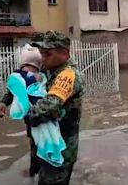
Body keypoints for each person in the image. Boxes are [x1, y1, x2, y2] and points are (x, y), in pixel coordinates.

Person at [29, 31, 84, 185]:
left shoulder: (68, 75)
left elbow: (48, 107)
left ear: (64, 54)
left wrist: (28, 112)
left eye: (47, 54)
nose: (42, 58)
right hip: (48, 145)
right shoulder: (51, 72)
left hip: (61, 149)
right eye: (41, 53)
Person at [0, 44, 44, 177]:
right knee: (38, 149)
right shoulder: (24, 77)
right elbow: (13, 93)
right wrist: (4, 103)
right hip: (35, 120)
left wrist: (4, 103)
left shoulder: (43, 76)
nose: (26, 71)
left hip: (42, 118)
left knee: (38, 149)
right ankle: (35, 174)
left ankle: (34, 175)